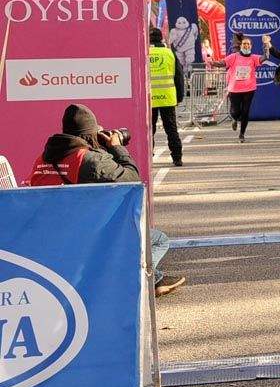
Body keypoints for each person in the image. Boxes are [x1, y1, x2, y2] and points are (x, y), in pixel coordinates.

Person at [27, 104, 185, 296]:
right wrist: (116, 146)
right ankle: (138, 280)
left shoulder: (42, 159)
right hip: (85, 236)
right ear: (89, 135)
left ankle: (156, 279)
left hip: (45, 236)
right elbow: (132, 178)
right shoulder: (88, 160)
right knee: (159, 239)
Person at [148, 27, 185, 167]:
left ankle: (148, 157)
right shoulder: (169, 53)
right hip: (167, 97)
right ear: (161, 38)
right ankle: (177, 158)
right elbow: (179, 76)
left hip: (149, 99)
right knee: (171, 129)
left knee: (149, 129)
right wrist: (180, 96)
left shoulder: (145, 53)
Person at [224, 34, 267, 143]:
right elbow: (222, 63)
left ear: (251, 46)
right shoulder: (234, 56)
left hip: (249, 89)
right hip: (234, 89)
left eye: (248, 44)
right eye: (244, 44)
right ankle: (234, 118)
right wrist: (213, 62)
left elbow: (265, 57)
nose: (246, 45)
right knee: (236, 111)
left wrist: (266, 45)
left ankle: (242, 134)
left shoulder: (254, 58)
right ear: (241, 45)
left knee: (246, 111)